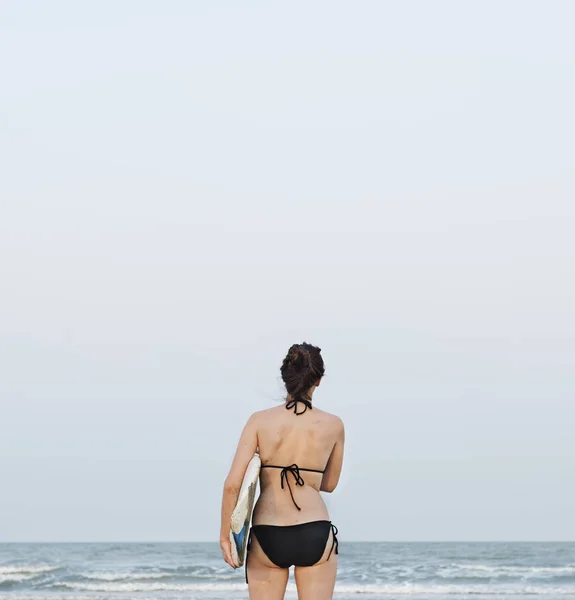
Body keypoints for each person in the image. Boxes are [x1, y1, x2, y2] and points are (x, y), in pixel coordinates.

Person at [219, 342, 345, 600]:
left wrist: (225, 536)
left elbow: (233, 484)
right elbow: (330, 484)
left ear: (285, 378)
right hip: (315, 531)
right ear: (318, 381)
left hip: (268, 532)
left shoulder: (259, 420)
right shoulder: (334, 425)